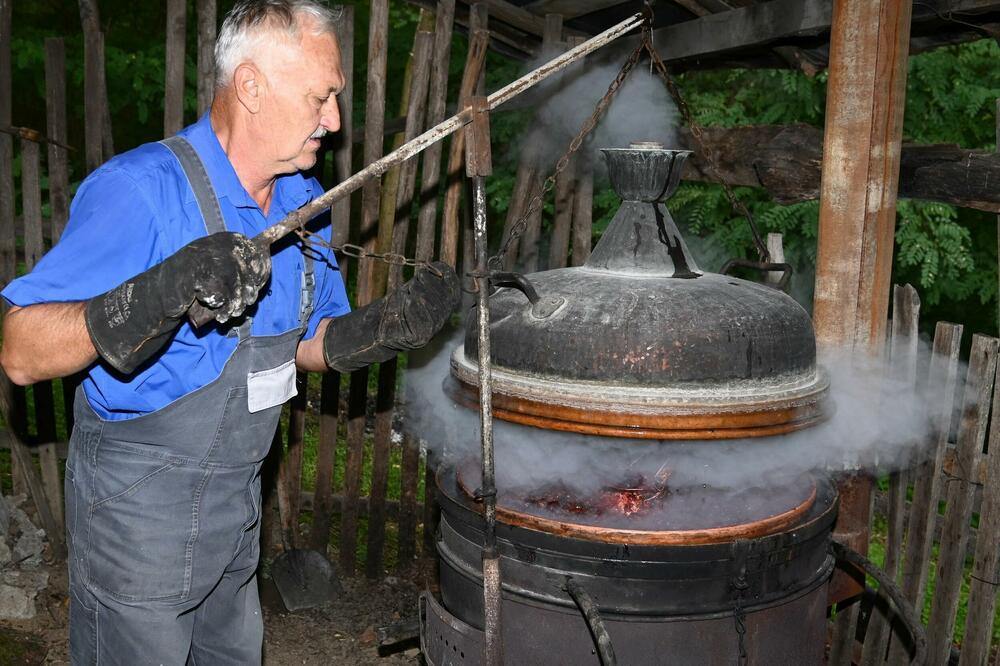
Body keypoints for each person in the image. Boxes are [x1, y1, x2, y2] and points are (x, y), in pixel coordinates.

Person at [0, 1, 459, 663]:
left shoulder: (304, 207)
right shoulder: (143, 192)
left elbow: (304, 342)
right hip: (137, 518)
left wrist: (386, 328)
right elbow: (19, 350)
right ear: (250, 86)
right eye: (320, 97)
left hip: (238, 511)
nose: (333, 120)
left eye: (335, 99)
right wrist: (163, 289)